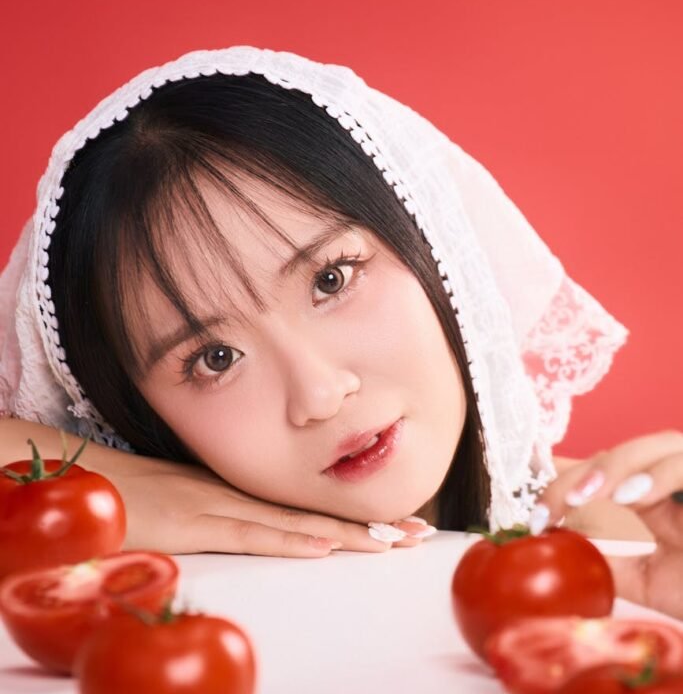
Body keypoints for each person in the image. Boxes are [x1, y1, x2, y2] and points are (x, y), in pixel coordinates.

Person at [0, 47, 681, 618]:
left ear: (434, 248)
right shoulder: (139, 586)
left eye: (332, 279)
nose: (320, 394)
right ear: (136, 415)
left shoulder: (636, 545)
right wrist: (104, 487)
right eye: (215, 357)